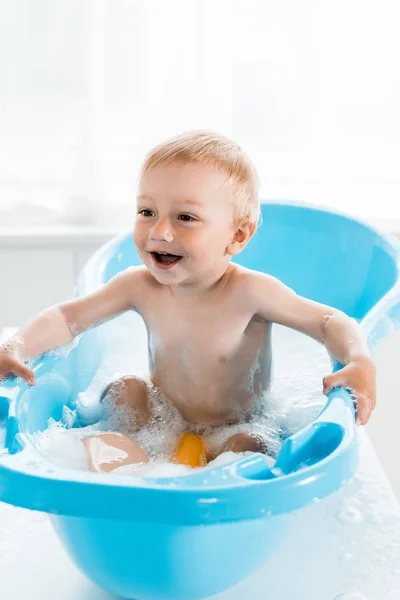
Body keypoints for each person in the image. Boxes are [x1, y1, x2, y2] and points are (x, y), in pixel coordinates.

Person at [0, 131, 376, 473]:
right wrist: (17, 345)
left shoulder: (250, 292)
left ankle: (194, 476)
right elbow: (68, 317)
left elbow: (329, 322)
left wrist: (358, 361)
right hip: (161, 419)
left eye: (185, 217)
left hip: (235, 426)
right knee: (124, 389)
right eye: (147, 212)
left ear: (237, 236)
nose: (160, 231)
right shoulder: (139, 285)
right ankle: (137, 468)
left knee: (254, 445)